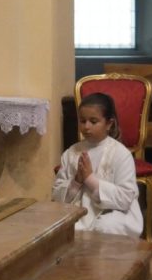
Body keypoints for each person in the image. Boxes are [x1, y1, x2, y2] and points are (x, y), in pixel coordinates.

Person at [52, 92, 142, 238]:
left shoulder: (121, 154)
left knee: (106, 226)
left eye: (93, 122)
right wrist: (76, 182)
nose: (86, 127)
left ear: (109, 124)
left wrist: (89, 179)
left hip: (114, 213)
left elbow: (125, 198)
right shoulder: (71, 153)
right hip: (78, 214)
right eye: (82, 121)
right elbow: (57, 196)